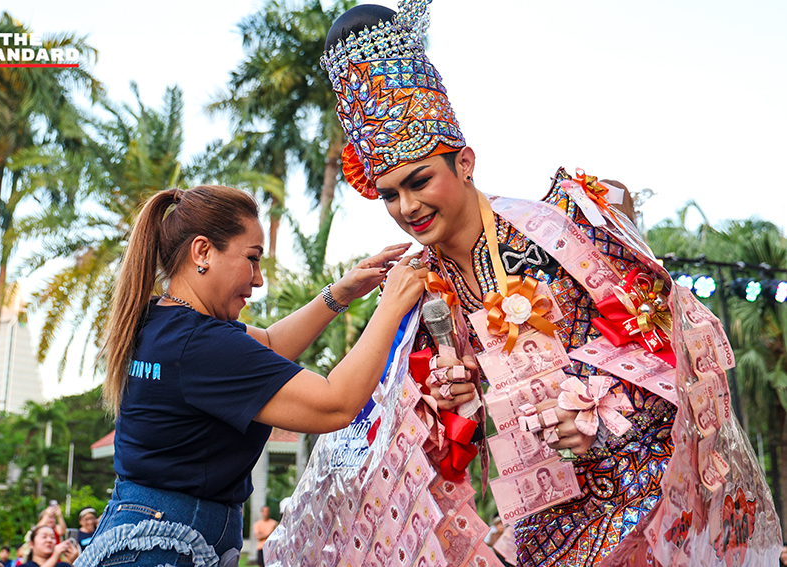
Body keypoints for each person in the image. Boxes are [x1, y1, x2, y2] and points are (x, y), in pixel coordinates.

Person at [321, 3, 677, 565]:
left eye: (419, 181)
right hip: (545, 518)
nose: (407, 207)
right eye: (389, 194)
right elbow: (448, 436)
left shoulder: (558, 227)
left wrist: (596, 413)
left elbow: (663, 340)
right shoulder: (424, 286)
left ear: (464, 163)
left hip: (645, 494)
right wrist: (452, 401)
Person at [74, 185, 426, 567]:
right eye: (252, 259)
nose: (258, 280)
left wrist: (339, 294)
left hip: (140, 535)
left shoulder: (159, 321)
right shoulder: (202, 344)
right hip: (164, 547)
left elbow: (270, 344)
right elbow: (335, 405)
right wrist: (392, 305)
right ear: (202, 252)